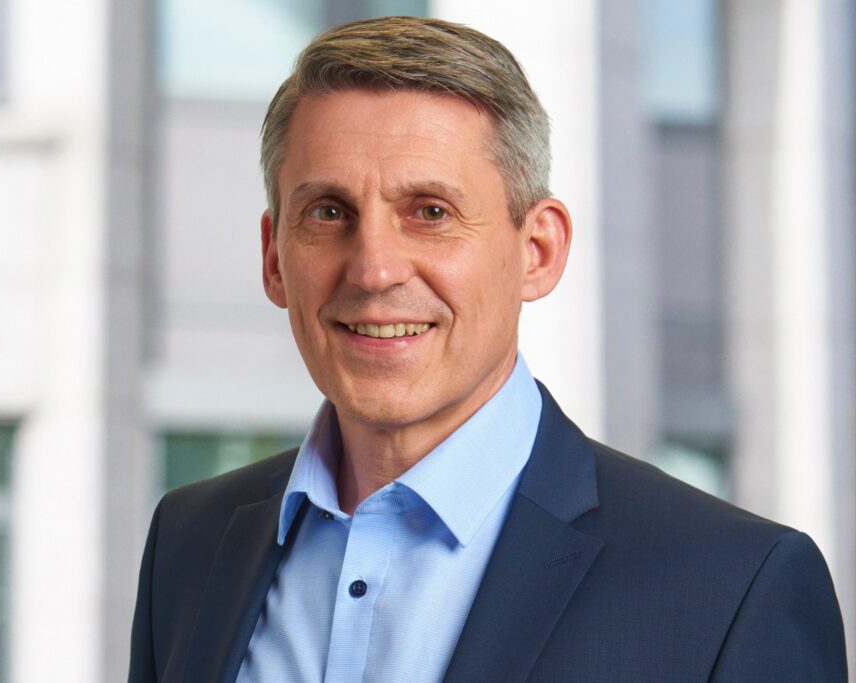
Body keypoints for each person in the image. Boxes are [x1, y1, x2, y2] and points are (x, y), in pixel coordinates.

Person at [129, 16, 846, 682]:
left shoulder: (733, 588)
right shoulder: (188, 545)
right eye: (329, 212)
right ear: (274, 256)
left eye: (430, 213)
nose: (375, 269)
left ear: (537, 250)